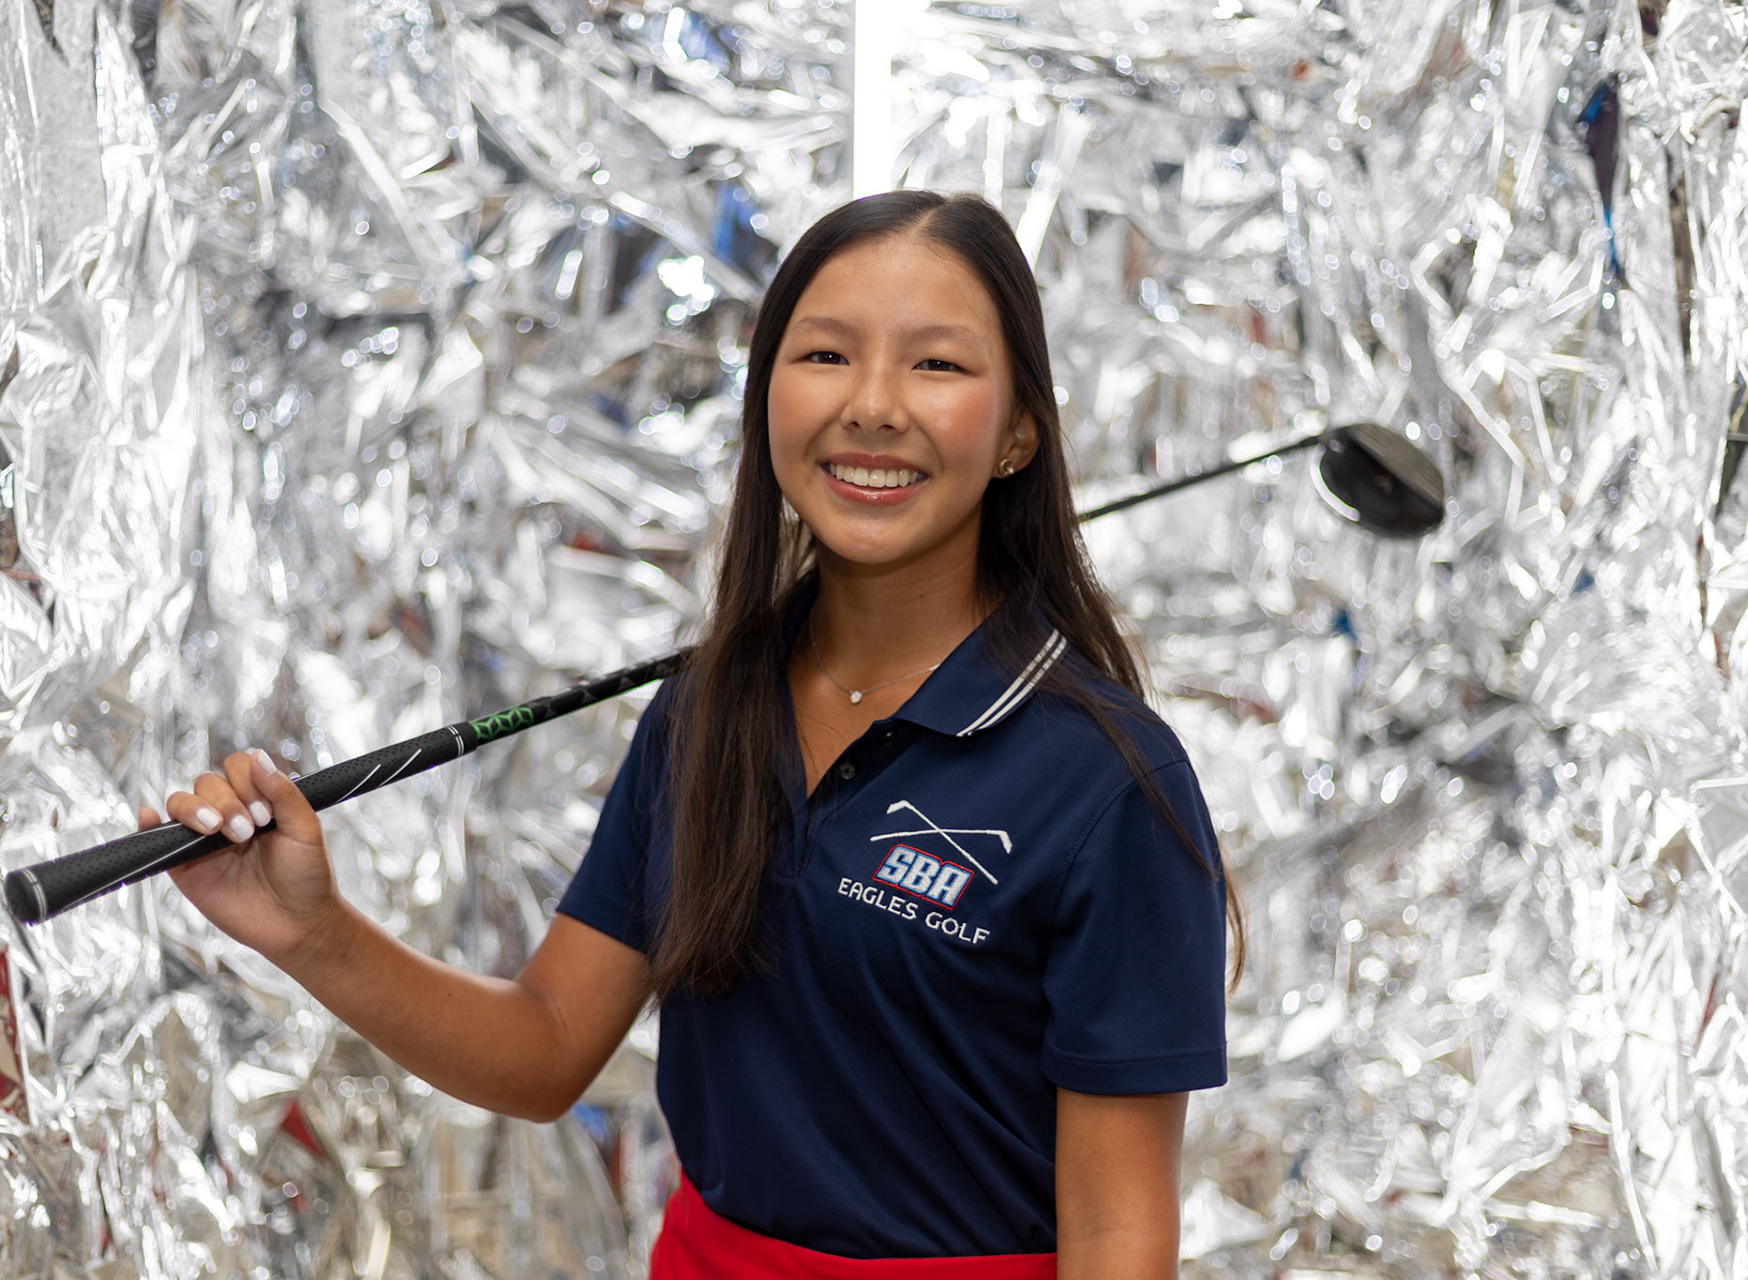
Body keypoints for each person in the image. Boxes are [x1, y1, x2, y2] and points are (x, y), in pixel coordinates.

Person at [147, 190, 1239, 1278]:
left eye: (936, 365)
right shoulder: (706, 714)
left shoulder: (1110, 785)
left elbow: (1120, 1237)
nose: (871, 405)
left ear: (1016, 433)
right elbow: (544, 1048)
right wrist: (313, 928)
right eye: (824, 355)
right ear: (766, 400)